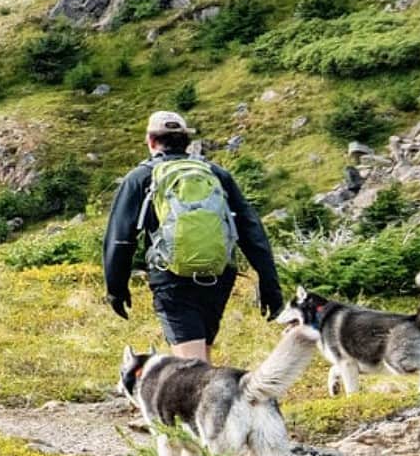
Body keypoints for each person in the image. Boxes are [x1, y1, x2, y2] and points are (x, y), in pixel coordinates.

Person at [103, 110, 284, 363]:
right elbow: (252, 231)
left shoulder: (140, 177)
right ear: (186, 141)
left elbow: (120, 239)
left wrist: (116, 288)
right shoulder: (216, 174)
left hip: (172, 278)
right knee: (201, 356)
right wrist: (269, 284)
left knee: (190, 366)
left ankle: (214, 391)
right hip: (219, 276)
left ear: (151, 141)